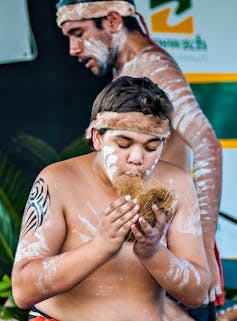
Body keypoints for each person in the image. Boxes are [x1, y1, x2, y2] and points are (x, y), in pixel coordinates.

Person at [55, 1, 223, 320]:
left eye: (78, 33)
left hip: (167, 251)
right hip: (147, 246)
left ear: (114, 21)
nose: (73, 49)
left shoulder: (152, 65)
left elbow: (207, 144)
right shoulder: (129, 69)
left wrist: (202, 243)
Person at [11, 76, 210, 321]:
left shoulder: (177, 184)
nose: (137, 158)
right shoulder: (57, 180)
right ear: (97, 138)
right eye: (124, 144)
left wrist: (153, 252)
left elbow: (198, 294)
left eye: (151, 147)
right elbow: (22, 290)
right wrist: (100, 246)